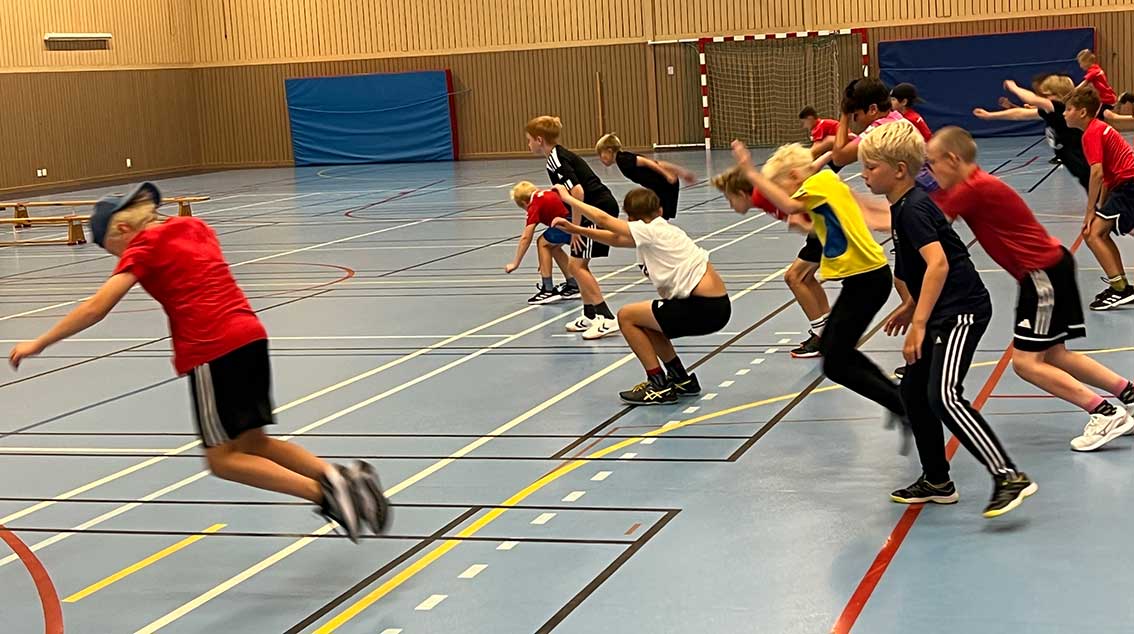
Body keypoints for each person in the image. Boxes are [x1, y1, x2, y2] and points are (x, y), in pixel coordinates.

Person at [6, 183, 389, 542]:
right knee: (254, 442)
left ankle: (326, 495)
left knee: (222, 460)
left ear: (122, 228)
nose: (118, 258)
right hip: (251, 337)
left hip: (212, 349)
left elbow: (97, 307)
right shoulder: (194, 227)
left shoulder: (144, 246)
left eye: (113, 249)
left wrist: (40, 342)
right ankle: (340, 477)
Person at [859, 121, 1037, 518]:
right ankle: (937, 480)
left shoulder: (914, 208)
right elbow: (918, 268)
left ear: (899, 170)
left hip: (961, 311)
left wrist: (919, 323)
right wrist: (910, 306)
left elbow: (938, 263)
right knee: (913, 392)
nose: (864, 174)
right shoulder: (902, 206)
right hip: (940, 308)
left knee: (944, 395)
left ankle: (1008, 476)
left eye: (871, 167)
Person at [927, 126, 1134, 450]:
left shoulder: (971, 189)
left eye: (933, 163)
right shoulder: (974, 184)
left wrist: (853, 206)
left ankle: (1105, 413)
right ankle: (1129, 394)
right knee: (1054, 354)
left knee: (1025, 363)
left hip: (1042, 275)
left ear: (952, 159)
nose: (931, 170)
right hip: (1052, 268)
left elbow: (922, 218)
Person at [728, 140, 910, 434]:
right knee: (835, 353)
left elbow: (790, 204)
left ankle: (900, 403)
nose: (788, 195)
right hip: (863, 280)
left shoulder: (817, 184)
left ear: (794, 178)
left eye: (785, 187)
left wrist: (750, 171)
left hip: (868, 280)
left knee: (836, 361)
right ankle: (897, 400)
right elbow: (823, 213)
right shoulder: (824, 183)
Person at [552, 186, 730, 404]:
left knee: (626, 316)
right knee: (647, 323)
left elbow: (604, 220)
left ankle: (658, 384)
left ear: (630, 218)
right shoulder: (659, 232)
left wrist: (569, 199)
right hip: (713, 306)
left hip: (702, 306)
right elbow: (615, 239)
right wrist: (577, 230)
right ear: (660, 210)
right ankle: (681, 379)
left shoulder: (651, 231)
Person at [711, 157, 833, 359]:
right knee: (804, 278)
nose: (731, 205)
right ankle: (828, 328)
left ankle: (822, 335)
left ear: (741, 193)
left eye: (729, 198)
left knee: (794, 277)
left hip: (825, 227)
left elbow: (800, 180)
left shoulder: (761, 195)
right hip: (820, 229)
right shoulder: (762, 197)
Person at [526, 116, 621, 338]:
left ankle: (607, 317)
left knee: (577, 266)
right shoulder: (556, 156)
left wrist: (575, 228)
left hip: (596, 209)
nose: (528, 144)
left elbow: (577, 192)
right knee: (578, 264)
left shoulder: (556, 160)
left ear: (539, 140)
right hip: (591, 208)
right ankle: (589, 315)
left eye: (529, 140)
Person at [1063, 86, 1134, 310]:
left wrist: (1090, 211)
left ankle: (1120, 289)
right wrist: (1102, 205)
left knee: (1093, 233)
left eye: (1068, 109)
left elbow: (1097, 173)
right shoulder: (1098, 128)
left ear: (1082, 112)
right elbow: (1106, 179)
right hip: (1124, 186)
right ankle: (1121, 286)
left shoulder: (1091, 133)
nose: (1064, 114)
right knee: (1098, 232)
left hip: (1129, 185)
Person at [973, 76, 1089, 189]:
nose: (1043, 99)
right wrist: (990, 115)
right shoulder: (1052, 112)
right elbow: (1019, 114)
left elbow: (1032, 99)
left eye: (1046, 95)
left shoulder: (1060, 107)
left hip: (1082, 157)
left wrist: (1014, 87)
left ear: (1058, 94)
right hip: (1073, 161)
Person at [505, 181, 580, 304]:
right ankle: (574, 284)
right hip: (576, 219)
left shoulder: (534, 204)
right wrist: (544, 259)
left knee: (542, 242)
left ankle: (548, 289)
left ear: (524, 203)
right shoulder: (545, 194)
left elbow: (526, 237)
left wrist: (515, 263)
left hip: (570, 223)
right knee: (553, 247)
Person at [595, 133, 695, 220]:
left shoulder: (623, 160)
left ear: (609, 151)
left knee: (657, 215)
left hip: (664, 185)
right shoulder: (623, 158)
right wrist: (681, 172)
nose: (601, 158)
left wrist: (667, 174)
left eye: (601, 154)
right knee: (658, 216)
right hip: (662, 186)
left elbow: (647, 162)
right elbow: (656, 163)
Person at [1077, 49, 1117, 113]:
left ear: (1087, 61)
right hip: (1108, 98)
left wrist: (1071, 93)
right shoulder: (1097, 68)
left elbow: (1082, 85)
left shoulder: (1093, 72)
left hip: (1106, 99)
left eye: (1081, 63)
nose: (1080, 66)